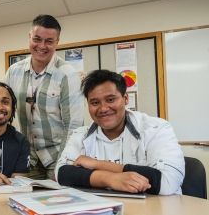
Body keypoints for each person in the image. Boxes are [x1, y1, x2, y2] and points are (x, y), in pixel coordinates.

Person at [56, 69, 185, 195]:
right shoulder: (81, 134)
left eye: (111, 100)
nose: (104, 108)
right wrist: (110, 179)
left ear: (126, 99)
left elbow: (167, 182)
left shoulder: (156, 128)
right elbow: (62, 173)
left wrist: (97, 164)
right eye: (95, 102)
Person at [4, 14, 85, 180]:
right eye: (37, 39)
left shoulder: (67, 74)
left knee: (58, 203)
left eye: (49, 41)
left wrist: (64, 163)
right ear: (29, 37)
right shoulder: (14, 71)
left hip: (57, 156)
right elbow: (5, 112)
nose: (42, 46)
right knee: (23, 202)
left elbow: (74, 125)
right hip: (27, 157)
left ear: (57, 42)